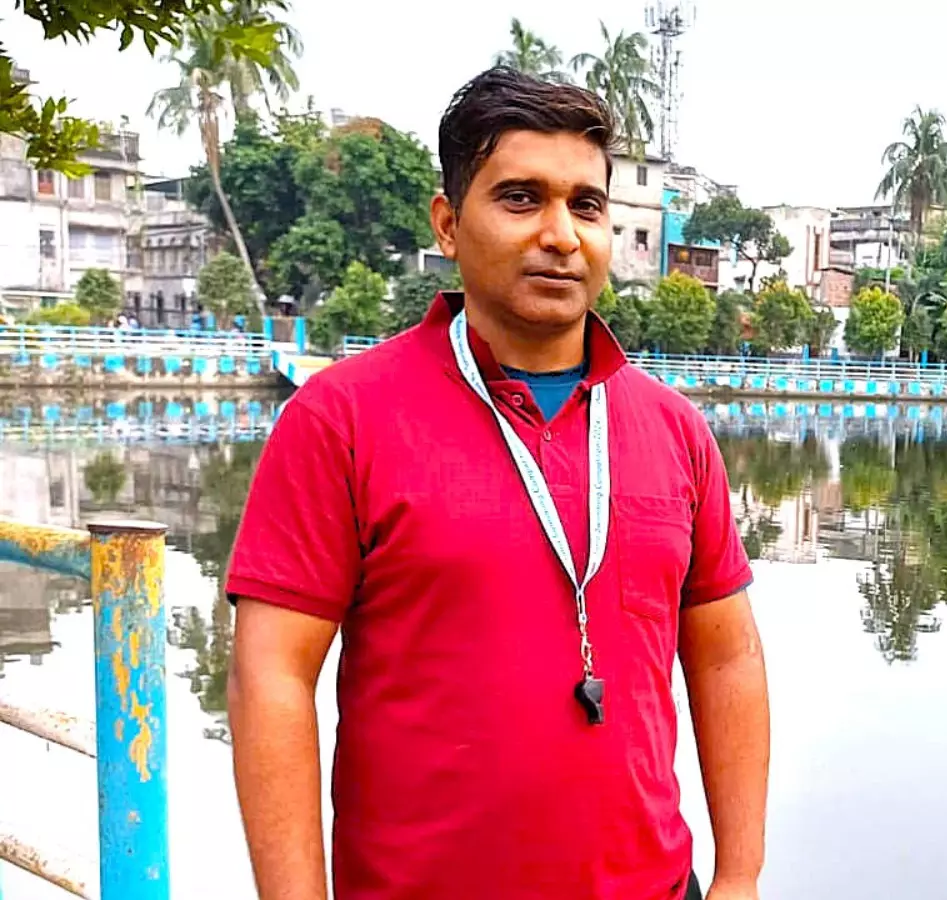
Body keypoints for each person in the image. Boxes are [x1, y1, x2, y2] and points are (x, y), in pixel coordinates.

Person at [224, 67, 770, 900]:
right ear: (448, 223)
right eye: (520, 198)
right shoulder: (343, 419)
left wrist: (740, 875)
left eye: (585, 206)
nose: (560, 233)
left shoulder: (673, 430)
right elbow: (271, 676)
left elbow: (727, 656)